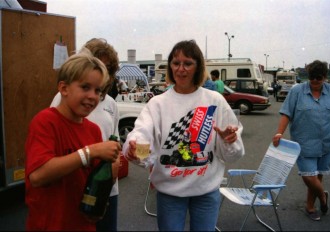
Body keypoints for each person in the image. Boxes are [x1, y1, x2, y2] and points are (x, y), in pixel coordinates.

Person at [122, 40, 245, 231]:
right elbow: (143, 135)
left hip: (206, 191)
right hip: (169, 193)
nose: (181, 69)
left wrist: (230, 140)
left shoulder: (214, 100)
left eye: (187, 63)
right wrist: (136, 149)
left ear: (198, 67)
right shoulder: (158, 104)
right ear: (170, 67)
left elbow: (232, 154)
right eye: (175, 63)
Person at [25, 52, 122, 231]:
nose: (93, 96)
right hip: (49, 224)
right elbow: (38, 176)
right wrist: (90, 152)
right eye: (85, 87)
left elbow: (94, 181)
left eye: (97, 90)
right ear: (64, 88)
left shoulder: (93, 129)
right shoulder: (45, 121)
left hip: (84, 224)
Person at [50, 38, 121, 232]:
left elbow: (114, 140)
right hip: (76, 188)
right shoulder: (61, 100)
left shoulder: (110, 103)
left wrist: (115, 167)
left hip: (108, 189)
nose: (100, 71)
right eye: (96, 62)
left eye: (106, 67)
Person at [272, 60, 330, 221]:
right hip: (304, 144)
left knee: (317, 175)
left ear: (325, 77)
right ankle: (323, 197)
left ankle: (310, 207)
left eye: (318, 77)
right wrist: (279, 133)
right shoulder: (297, 91)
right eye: (311, 77)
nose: (314, 81)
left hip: (328, 142)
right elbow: (286, 113)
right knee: (308, 175)